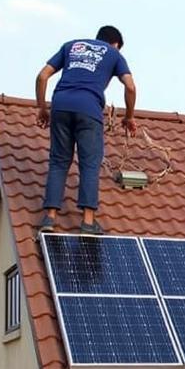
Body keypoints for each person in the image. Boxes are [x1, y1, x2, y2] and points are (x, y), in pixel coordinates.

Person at [35, 25, 137, 236]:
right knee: (90, 163)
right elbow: (130, 87)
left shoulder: (71, 46)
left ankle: (49, 217)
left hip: (60, 105)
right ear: (115, 44)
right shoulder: (114, 54)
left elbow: (43, 76)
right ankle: (88, 222)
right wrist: (128, 117)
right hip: (89, 109)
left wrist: (42, 108)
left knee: (58, 161)